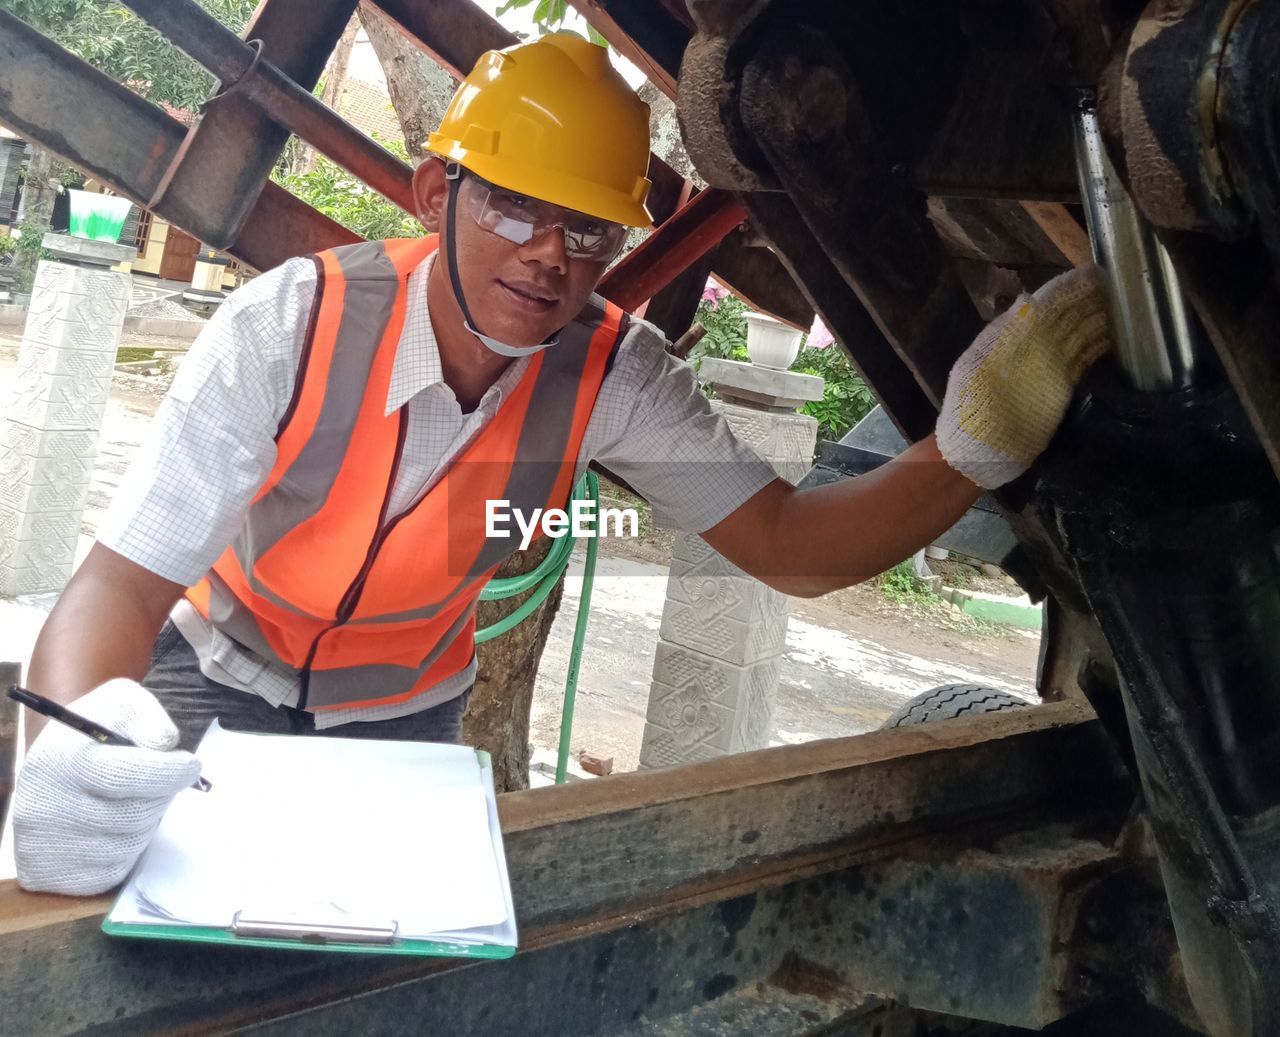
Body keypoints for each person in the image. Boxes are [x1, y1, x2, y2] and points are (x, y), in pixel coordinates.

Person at [10, 34, 1110, 896]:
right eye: (514, 205)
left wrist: (966, 446)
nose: (549, 254)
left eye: (587, 228)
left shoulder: (609, 372)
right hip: (208, 678)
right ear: (435, 197)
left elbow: (791, 546)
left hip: (401, 720)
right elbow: (123, 581)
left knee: (363, 967)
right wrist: (81, 735)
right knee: (133, 938)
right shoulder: (290, 325)